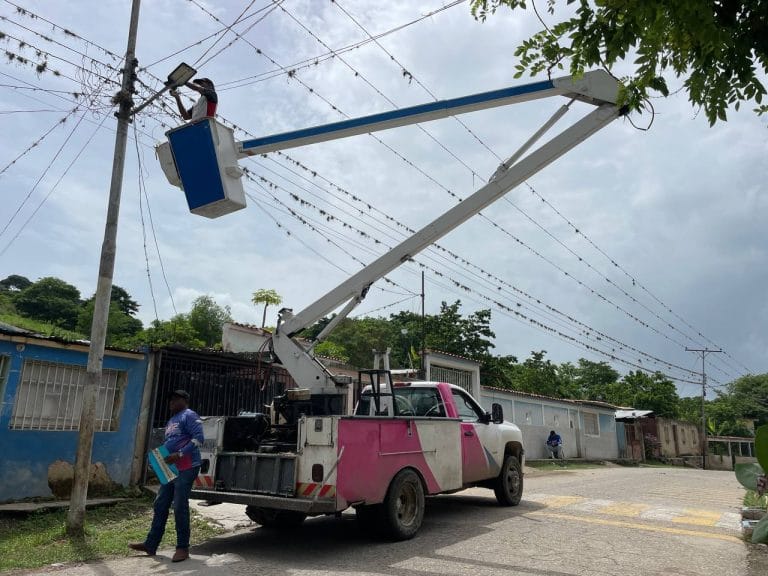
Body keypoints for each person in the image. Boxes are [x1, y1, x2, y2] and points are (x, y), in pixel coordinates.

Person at [130, 390, 204, 563]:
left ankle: (182, 547)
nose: (170, 402)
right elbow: (171, 442)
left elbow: (199, 438)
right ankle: (151, 544)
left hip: (187, 466)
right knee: (161, 503)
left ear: (184, 400)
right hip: (170, 467)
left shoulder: (189, 415)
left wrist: (179, 454)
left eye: (174, 399)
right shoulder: (172, 420)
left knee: (179, 505)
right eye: (169, 400)